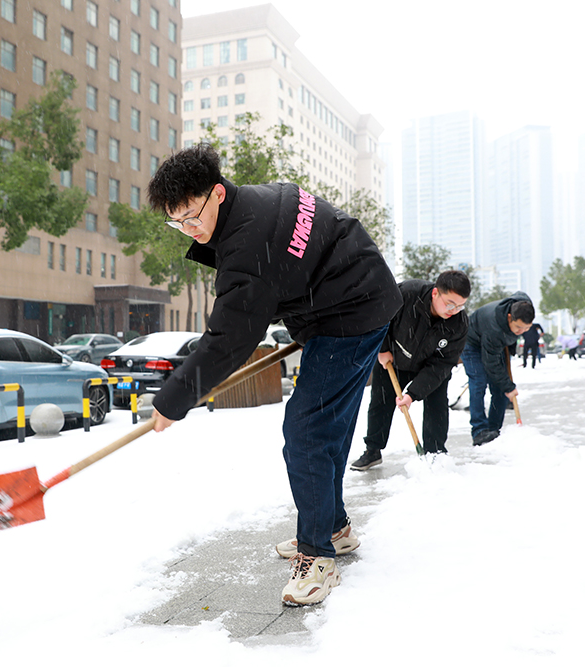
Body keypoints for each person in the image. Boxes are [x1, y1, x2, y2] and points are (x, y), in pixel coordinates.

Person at [146, 145, 401, 607]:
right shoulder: (261, 200)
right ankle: (333, 527)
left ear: (217, 194)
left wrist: (174, 398)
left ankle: (317, 555)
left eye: (191, 216)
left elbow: (229, 337)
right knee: (329, 426)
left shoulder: (247, 242)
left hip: (352, 314)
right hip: (355, 300)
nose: (189, 229)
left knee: (307, 430)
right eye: (177, 222)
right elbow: (306, 263)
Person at [349, 271, 471, 470]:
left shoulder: (459, 324)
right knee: (380, 402)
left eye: (460, 305)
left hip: (429, 366)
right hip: (394, 358)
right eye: (450, 303)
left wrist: (413, 394)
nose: (453, 310)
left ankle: (435, 453)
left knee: (437, 405)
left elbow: (442, 365)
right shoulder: (407, 293)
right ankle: (373, 450)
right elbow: (380, 318)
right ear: (435, 293)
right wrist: (382, 349)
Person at [460, 293, 535, 445]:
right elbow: (490, 362)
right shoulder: (494, 326)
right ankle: (480, 431)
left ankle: (493, 429)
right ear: (509, 317)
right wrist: (509, 386)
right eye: (518, 327)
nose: (522, 331)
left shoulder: (523, 307)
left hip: (494, 345)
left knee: (499, 389)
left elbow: (520, 295)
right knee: (479, 381)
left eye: (526, 328)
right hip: (471, 342)